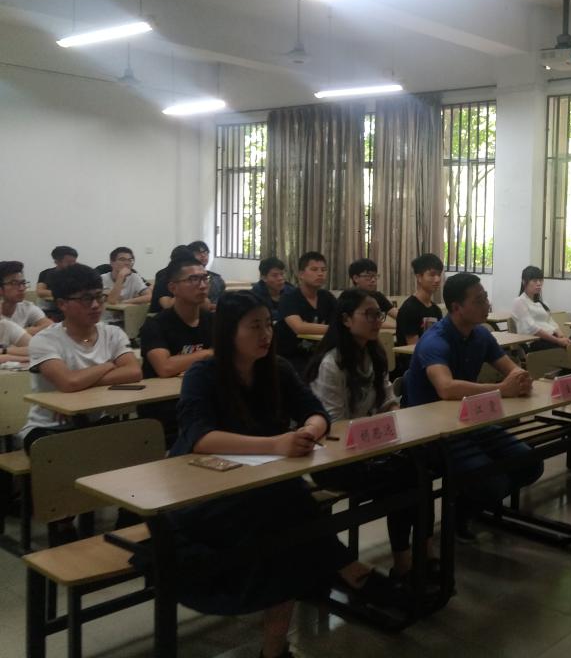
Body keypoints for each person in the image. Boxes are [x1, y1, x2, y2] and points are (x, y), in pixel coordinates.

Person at [166, 292, 403, 658]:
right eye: (254, 326)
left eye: (268, 325)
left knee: (286, 531)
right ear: (229, 332)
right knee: (287, 519)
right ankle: (344, 568)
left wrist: (309, 430)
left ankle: (280, 643)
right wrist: (275, 444)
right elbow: (200, 438)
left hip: (266, 490)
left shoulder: (276, 368)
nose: (266, 334)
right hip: (206, 494)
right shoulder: (203, 374)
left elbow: (316, 412)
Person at [403, 272, 543, 540]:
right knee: (492, 481)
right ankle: (461, 513)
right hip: (434, 433)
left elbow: (511, 369)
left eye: (485, 298)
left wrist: (521, 378)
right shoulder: (435, 340)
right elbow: (446, 388)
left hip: (470, 422)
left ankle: (468, 506)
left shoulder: (480, 334)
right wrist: (502, 389)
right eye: (479, 300)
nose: (486, 304)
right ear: (457, 307)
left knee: (530, 463)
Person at [307, 289, 434, 581]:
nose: (377, 320)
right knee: (407, 478)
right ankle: (405, 563)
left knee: (418, 470)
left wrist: (394, 418)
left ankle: (421, 556)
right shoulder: (332, 363)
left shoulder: (374, 354)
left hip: (368, 449)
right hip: (333, 458)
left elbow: (388, 399)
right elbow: (335, 425)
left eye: (379, 314)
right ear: (346, 319)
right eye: (369, 314)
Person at [21, 264, 142, 449]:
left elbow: (133, 372)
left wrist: (80, 382)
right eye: (86, 299)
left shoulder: (113, 333)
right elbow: (69, 383)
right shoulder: (44, 340)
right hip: (49, 428)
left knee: (140, 439)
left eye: (99, 297)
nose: (95, 305)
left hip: (97, 420)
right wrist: (109, 365)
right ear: (62, 304)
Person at [139, 257, 215, 445]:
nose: (202, 285)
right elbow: (165, 367)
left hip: (205, 400)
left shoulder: (213, 321)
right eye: (193, 279)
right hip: (165, 409)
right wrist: (207, 353)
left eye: (205, 278)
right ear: (173, 288)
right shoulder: (155, 325)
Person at [274, 251, 337, 375]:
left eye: (323, 270)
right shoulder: (289, 298)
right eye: (314, 269)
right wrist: (336, 329)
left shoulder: (327, 297)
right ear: (301, 274)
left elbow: (342, 319)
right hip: (291, 357)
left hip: (318, 355)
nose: (320, 273)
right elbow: (299, 327)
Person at [394, 253, 444, 378]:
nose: (437, 279)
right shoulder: (409, 308)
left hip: (432, 362)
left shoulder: (436, 310)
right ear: (419, 277)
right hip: (413, 368)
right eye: (432, 275)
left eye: (439, 274)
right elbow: (414, 349)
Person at [510, 265, 571, 351]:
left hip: (550, 339)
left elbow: (551, 322)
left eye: (541, 280)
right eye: (534, 281)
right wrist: (558, 341)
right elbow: (532, 328)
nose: (539, 284)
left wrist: (562, 337)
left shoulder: (542, 303)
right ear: (524, 282)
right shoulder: (519, 302)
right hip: (535, 342)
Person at [0, 261, 52, 335]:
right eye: (14, 283)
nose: (22, 288)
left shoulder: (26, 307)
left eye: (23, 283)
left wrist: (16, 334)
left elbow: (49, 326)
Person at [149, 245, 195, 313]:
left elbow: (207, 306)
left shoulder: (194, 278)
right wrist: (188, 290)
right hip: (162, 316)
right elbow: (167, 306)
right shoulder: (164, 278)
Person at [36, 245, 78, 318]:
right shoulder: (45, 273)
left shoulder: (78, 274)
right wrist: (63, 293)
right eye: (68, 262)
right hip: (48, 311)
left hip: (71, 310)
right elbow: (40, 292)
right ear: (57, 262)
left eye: (74, 262)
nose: (72, 265)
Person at [251, 256, 296, 322]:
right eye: (275, 275)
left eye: (282, 274)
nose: (280, 278)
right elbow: (263, 314)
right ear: (264, 278)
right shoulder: (256, 293)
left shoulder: (291, 290)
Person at [187, 241, 226, 305]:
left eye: (205, 252)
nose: (203, 255)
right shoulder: (186, 279)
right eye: (198, 253)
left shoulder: (217, 279)